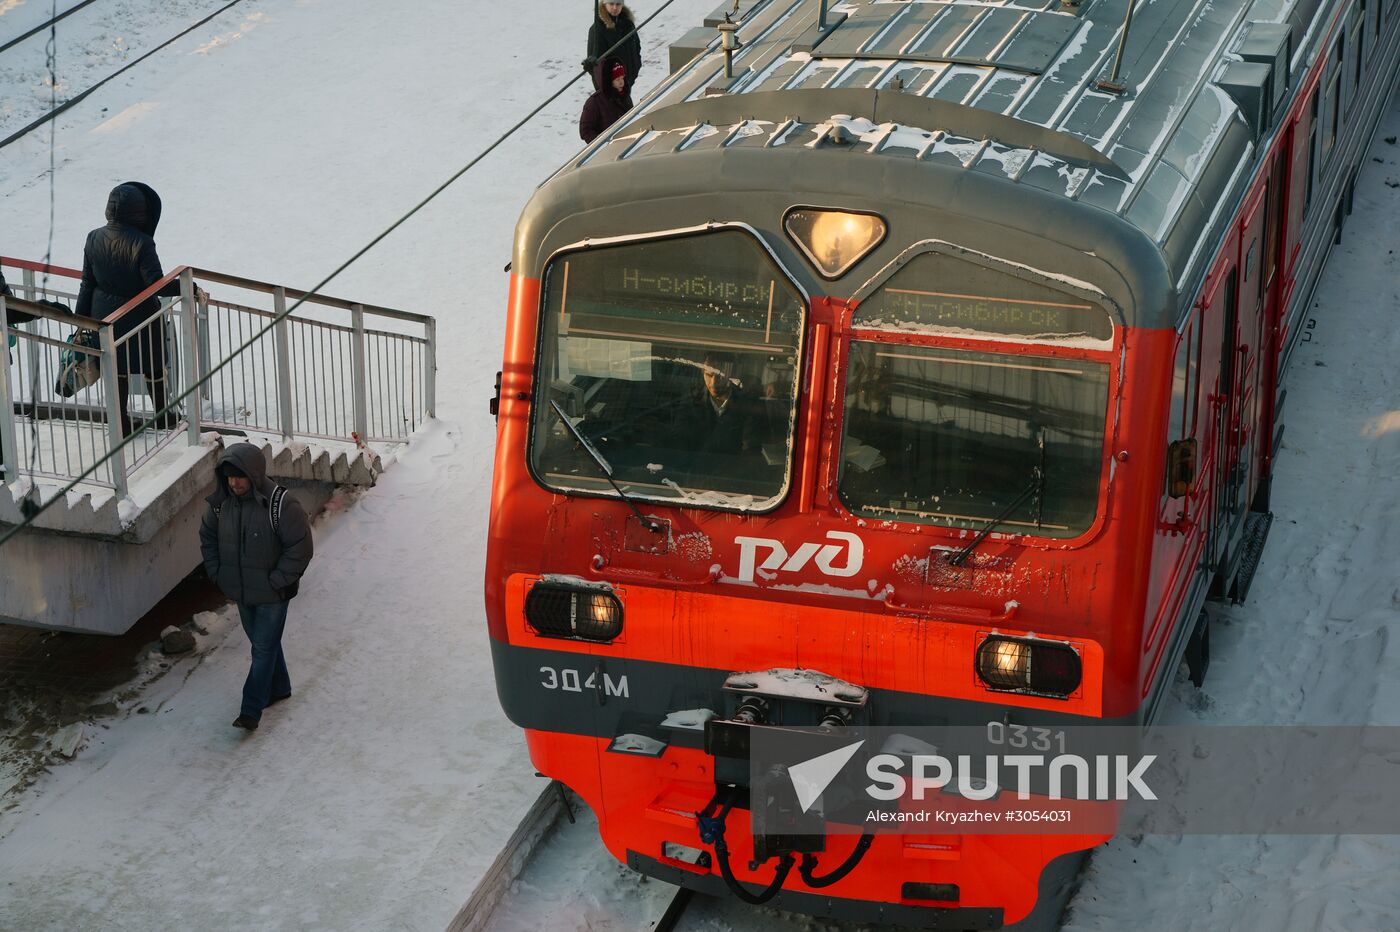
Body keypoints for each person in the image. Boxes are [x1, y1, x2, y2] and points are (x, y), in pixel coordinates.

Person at [199, 442, 314, 732]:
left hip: (273, 594)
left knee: (262, 648)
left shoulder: (281, 505)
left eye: (239, 476)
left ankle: (250, 709)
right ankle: (280, 687)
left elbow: (300, 548)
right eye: (229, 476)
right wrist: (218, 573)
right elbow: (207, 538)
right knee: (264, 644)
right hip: (240, 591)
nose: (234, 482)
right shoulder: (220, 504)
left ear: (254, 474)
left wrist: (275, 581)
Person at [75, 181, 198, 437]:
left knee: (115, 365)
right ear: (140, 213)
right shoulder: (143, 243)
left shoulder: (93, 236)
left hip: (104, 316)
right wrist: (188, 286)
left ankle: (120, 422)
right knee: (153, 363)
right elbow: (156, 285)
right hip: (139, 313)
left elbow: (87, 281)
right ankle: (164, 416)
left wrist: (81, 318)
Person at [680, 352, 764, 456]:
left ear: (733, 375)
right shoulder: (691, 402)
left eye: (720, 376)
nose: (713, 383)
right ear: (702, 373)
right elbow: (681, 443)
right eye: (709, 375)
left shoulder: (748, 404)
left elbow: (751, 449)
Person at [586, 1, 641, 94]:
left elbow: (636, 48)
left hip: (626, 82)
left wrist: (636, 66)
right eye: (611, 4)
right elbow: (595, 66)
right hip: (609, 89)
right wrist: (606, 86)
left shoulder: (628, 24)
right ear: (604, 4)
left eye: (618, 4)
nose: (615, 8)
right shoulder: (597, 29)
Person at [580, 58, 634, 144]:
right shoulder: (595, 102)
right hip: (608, 150)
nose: (621, 83)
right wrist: (603, 144)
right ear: (609, 81)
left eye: (622, 78)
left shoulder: (625, 97)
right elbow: (585, 130)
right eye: (617, 79)